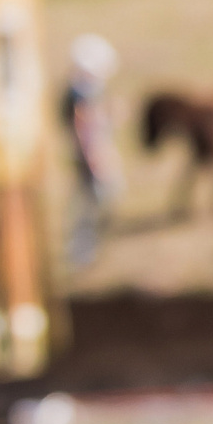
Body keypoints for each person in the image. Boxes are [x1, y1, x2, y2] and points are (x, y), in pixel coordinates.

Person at [61, 33, 123, 265]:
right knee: (90, 206)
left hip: (91, 156)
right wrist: (96, 158)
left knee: (92, 204)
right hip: (92, 157)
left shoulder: (83, 93)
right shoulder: (83, 96)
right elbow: (86, 130)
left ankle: (88, 254)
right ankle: (82, 256)